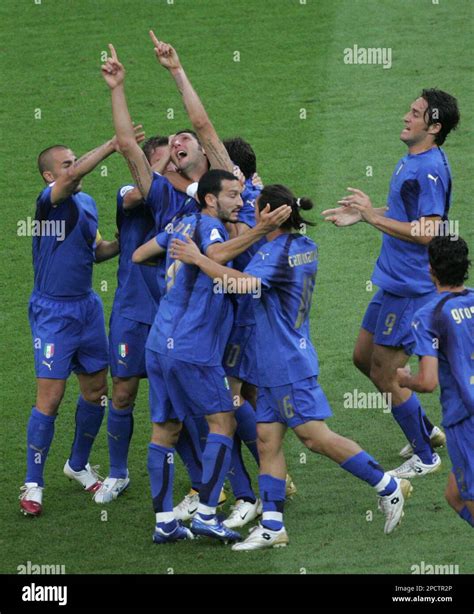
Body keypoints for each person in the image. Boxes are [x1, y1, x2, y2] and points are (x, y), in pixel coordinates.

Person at [171, 183, 414, 550]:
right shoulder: (302, 246)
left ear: (271, 213)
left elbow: (243, 284)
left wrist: (198, 259)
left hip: (283, 363)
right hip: (275, 361)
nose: (251, 211)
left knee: (315, 437)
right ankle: (272, 526)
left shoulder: (275, 253)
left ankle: (388, 486)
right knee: (268, 443)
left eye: (257, 208)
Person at [132, 169, 290, 544]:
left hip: (159, 342)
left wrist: (180, 272)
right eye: (233, 195)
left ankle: (165, 522)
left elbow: (140, 255)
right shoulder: (210, 228)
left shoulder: (182, 224)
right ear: (209, 199)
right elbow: (216, 254)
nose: (240, 202)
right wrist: (258, 229)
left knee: (166, 429)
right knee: (223, 424)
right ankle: (206, 514)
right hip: (193, 348)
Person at [323, 89, 460, 477]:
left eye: (415, 114)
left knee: (385, 372)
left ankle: (426, 456)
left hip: (412, 288)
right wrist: (366, 213)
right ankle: (427, 432)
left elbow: (429, 230)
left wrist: (372, 218)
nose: (405, 117)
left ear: (433, 127)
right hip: (393, 282)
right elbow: (405, 213)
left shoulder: (428, 169)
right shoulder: (413, 159)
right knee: (362, 359)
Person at [19, 135, 133, 516]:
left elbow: (95, 250)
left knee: (96, 390)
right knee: (49, 399)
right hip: (53, 313)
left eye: (76, 160)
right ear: (49, 176)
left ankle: (78, 464)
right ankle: (33, 484)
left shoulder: (85, 203)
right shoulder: (48, 202)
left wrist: (120, 244)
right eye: (67, 164)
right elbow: (68, 181)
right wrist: (115, 144)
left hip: (86, 307)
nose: (76, 167)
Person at [94, 135, 194, 503]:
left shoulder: (187, 200)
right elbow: (139, 192)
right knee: (122, 393)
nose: (173, 168)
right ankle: (118, 473)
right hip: (132, 313)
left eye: (177, 162)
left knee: (177, 399)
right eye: (166, 161)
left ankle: (202, 481)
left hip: (175, 314)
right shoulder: (129, 192)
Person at [397, 236, 473, 527]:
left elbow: (427, 382)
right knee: (453, 495)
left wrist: (405, 380)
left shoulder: (429, 316)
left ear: (431, 270)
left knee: (467, 498)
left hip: (465, 420)